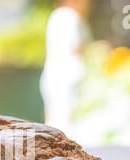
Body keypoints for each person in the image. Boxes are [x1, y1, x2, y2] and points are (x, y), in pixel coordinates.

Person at [40, 0, 92, 135]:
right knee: (65, 127)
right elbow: (76, 47)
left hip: (53, 77)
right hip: (66, 79)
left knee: (54, 124)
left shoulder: (57, 15)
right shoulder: (70, 17)